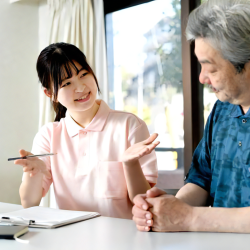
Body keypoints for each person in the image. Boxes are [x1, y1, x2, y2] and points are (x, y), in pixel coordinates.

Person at [132, 0, 250, 233]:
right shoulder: (221, 111)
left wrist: (190, 218)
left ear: (245, 64)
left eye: (211, 67)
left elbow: (192, 217)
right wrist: (167, 207)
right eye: (200, 65)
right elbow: (201, 179)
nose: (202, 78)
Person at [15, 43, 159, 219]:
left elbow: (144, 202)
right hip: (68, 240)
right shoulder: (49, 135)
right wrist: (35, 172)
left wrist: (130, 164)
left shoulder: (129, 125)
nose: (81, 87)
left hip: (122, 241)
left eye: (83, 74)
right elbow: (29, 203)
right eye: (67, 83)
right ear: (49, 93)